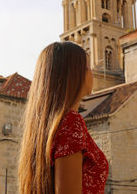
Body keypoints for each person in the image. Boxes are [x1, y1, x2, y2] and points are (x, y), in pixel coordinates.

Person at [18, 41, 109, 194]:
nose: (92, 72)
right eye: (87, 67)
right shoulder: (71, 122)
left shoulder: (46, 127)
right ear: (74, 74)